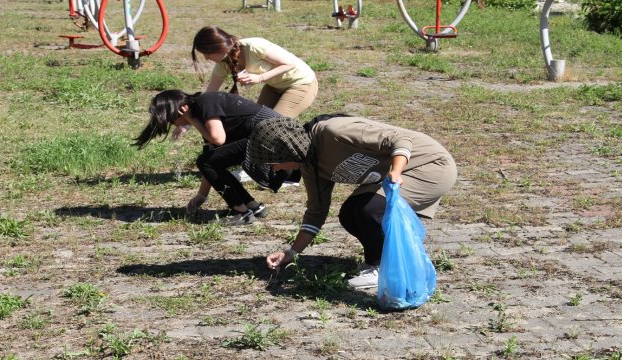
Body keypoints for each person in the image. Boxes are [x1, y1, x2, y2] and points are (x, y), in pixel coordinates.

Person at [245, 115, 458, 289]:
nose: (276, 168)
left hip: (430, 166)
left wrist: (396, 171)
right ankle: (381, 261)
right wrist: (291, 253)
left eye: (275, 162)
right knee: (350, 213)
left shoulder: (333, 132)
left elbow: (400, 139)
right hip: (398, 172)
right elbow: (316, 212)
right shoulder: (311, 166)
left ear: (288, 148)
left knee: (369, 209)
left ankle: (382, 268)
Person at [188, 25, 318, 185]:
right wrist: (189, 118)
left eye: (207, 53)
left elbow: (289, 64)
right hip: (275, 86)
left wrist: (260, 78)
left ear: (218, 47)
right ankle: (252, 165)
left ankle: (291, 175)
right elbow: (209, 94)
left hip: (301, 83)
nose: (207, 58)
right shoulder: (223, 63)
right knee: (253, 124)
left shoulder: (254, 45)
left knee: (273, 128)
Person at [133, 90, 286, 225]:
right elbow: (212, 159)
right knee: (210, 161)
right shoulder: (203, 111)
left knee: (206, 161)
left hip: (271, 136)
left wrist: (192, 121)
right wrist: (202, 196)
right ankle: (252, 206)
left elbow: (218, 139)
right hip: (270, 137)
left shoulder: (205, 102)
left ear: (180, 111)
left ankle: (241, 212)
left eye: (172, 121)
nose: (174, 125)